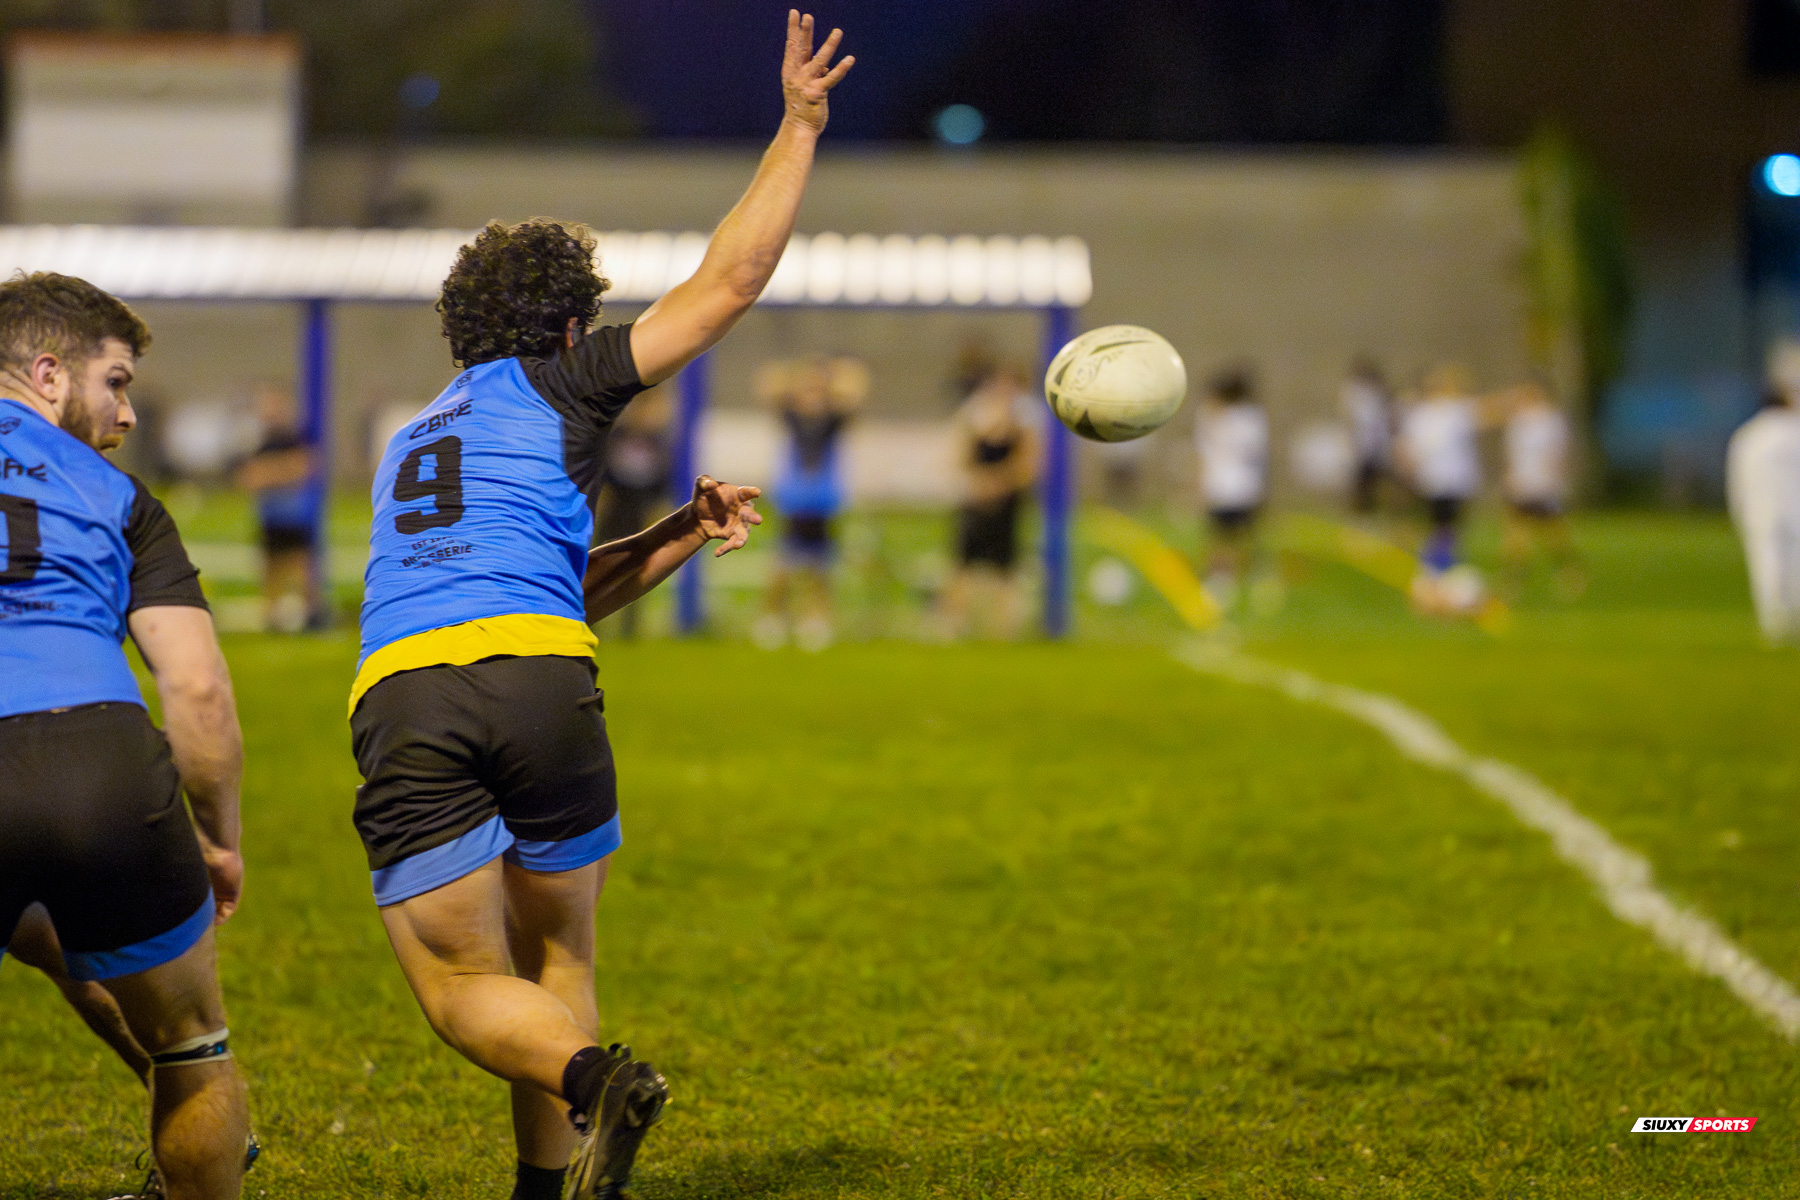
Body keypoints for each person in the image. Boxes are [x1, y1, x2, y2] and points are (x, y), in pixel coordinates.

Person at [348, 15, 852, 1200]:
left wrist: (672, 532)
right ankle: (585, 1106)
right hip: (545, 686)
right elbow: (731, 281)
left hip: (413, 691)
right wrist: (799, 125)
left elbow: (515, 588)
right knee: (557, 952)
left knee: (463, 989)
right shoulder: (566, 382)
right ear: (572, 327)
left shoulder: (412, 440)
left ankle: (577, 1118)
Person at [0, 271, 251, 1199]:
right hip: (98, 762)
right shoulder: (118, 497)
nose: (129, 415)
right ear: (50, 373)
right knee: (192, 1046)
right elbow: (195, 688)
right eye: (118, 383)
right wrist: (219, 836)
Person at [753, 354, 866, 652]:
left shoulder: (832, 421)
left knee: (820, 568)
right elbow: (768, 384)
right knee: (783, 566)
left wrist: (835, 376)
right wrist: (796, 378)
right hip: (794, 501)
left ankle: (816, 621)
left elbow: (856, 389)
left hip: (823, 503)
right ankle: (772, 618)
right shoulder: (792, 417)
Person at [939, 363, 1042, 638]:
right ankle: (953, 626)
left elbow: (1028, 465)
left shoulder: (1025, 422)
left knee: (1006, 569)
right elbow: (958, 457)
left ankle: (1004, 631)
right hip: (974, 500)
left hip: (1007, 502)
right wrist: (977, 483)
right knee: (962, 565)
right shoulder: (973, 418)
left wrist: (999, 483)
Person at [233, 383, 322, 632]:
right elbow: (248, 478)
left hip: (294, 515)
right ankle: (272, 617)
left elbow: (304, 467)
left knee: (302, 566)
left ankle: (313, 614)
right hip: (270, 516)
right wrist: (280, 471)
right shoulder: (257, 442)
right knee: (271, 569)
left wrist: (269, 472)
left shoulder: (295, 437)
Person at [1727, 341, 1800, 645]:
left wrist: (1737, 510)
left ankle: (1773, 623)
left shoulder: (1748, 435)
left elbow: (1736, 480)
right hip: (1795, 507)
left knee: (1766, 563)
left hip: (1761, 511)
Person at [594, 385, 673, 639]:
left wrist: (659, 506)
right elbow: (602, 469)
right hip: (616, 505)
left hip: (639, 508)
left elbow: (662, 478)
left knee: (636, 567)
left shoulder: (657, 441)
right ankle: (590, 618)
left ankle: (630, 625)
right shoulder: (618, 436)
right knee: (601, 563)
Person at [1498, 377, 1585, 600]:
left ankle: (1569, 570)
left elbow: (1558, 452)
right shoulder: (1518, 421)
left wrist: (1554, 478)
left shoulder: (1551, 420)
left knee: (1553, 531)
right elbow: (1512, 453)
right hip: (1522, 482)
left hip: (1543, 483)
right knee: (1517, 531)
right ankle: (1514, 577)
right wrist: (1510, 476)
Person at [1396, 364, 1482, 578]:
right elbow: (1409, 445)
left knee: (1450, 523)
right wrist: (1408, 467)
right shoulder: (1421, 414)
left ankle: (1439, 564)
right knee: (1438, 522)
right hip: (1432, 478)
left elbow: (1485, 412)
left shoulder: (1457, 410)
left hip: (1456, 478)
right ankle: (1436, 564)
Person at [1195, 366, 1269, 602]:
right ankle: (1231, 578)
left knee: (1223, 536)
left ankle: (1224, 579)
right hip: (1238, 485)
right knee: (1233, 536)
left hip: (1228, 485)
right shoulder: (1252, 417)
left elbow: (1203, 453)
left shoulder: (1219, 416)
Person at [1340, 356, 1393, 513]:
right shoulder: (1353, 392)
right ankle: (1361, 508)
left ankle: (1375, 507)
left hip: (1377, 444)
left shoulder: (1379, 392)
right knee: (1361, 479)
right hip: (1361, 443)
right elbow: (1349, 418)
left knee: (1375, 478)